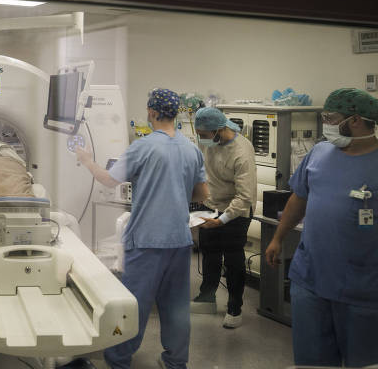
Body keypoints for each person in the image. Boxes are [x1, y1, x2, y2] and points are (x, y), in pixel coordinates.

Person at [76, 88, 209, 369]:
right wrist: (175, 193)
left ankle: (119, 360)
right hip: (180, 240)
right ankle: (175, 362)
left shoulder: (144, 146)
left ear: (151, 112)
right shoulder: (191, 149)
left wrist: (88, 161)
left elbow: (110, 180)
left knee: (134, 306)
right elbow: (202, 194)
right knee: (176, 307)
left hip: (148, 239)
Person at [264, 88, 378, 367]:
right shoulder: (319, 153)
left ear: (354, 121)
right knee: (311, 361)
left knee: (362, 362)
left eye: (330, 117)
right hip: (311, 280)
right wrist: (278, 237)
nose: (325, 123)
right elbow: (298, 199)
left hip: (363, 289)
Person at [190, 107, 257, 329]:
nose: (201, 139)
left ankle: (234, 308)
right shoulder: (209, 141)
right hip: (212, 204)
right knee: (209, 254)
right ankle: (207, 297)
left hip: (236, 211)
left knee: (233, 260)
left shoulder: (241, 152)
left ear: (219, 130)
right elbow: (204, 171)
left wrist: (221, 220)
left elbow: (245, 196)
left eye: (204, 135)